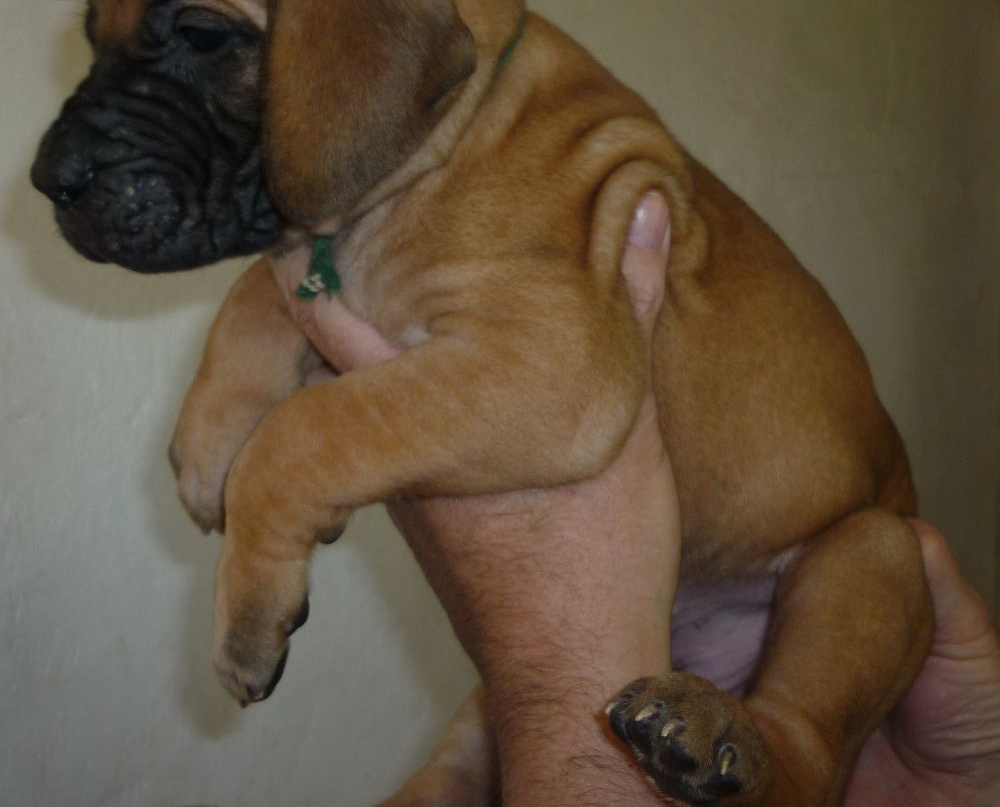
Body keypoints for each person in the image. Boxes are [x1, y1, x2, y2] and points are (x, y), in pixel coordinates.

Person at [271, 193, 1000, 806]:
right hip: (669, 627)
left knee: (883, 553)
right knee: (471, 752)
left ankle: (792, 757)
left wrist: (549, 659)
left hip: (793, 604)